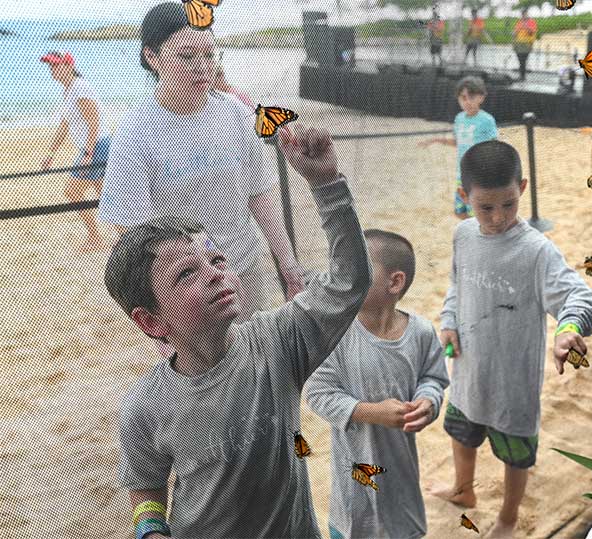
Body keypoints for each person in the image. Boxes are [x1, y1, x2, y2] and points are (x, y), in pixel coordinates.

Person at [111, 123, 372, 539]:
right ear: (151, 321)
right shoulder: (144, 407)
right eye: (186, 273)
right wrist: (151, 531)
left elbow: (349, 283)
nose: (215, 274)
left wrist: (326, 185)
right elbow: (146, 487)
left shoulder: (277, 342)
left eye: (216, 259)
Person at [97, 3, 305, 357]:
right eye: (187, 56)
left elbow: (261, 195)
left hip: (245, 269)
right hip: (188, 289)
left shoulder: (236, 114)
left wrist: (289, 267)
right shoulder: (134, 132)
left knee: (260, 370)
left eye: (209, 55)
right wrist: (165, 324)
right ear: (152, 56)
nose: (202, 68)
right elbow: (135, 235)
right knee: (208, 388)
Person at [429, 140, 592, 539]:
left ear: (522, 188)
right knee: (461, 433)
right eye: (485, 207)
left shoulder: (536, 251)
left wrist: (569, 328)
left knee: (516, 455)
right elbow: (456, 285)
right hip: (469, 369)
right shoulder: (463, 236)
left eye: (508, 204)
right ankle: (463, 489)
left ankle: (507, 518)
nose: (498, 217)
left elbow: (579, 296)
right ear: (463, 196)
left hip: (513, 384)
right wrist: (449, 321)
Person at [304, 229, 449, 539]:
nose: (342, 276)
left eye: (356, 267)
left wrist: (428, 403)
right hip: (354, 490)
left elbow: (433, 378)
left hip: (401, 480)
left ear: (394, 282)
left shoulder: (421, 332)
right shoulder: (336, 335)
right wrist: (370, 411)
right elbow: (318, 392)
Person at [40, 51, 112, 253]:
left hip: (97, 147)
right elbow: (64, 126)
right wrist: (50, 154)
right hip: (96, 146)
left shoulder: (80, 87)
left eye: (56, 65)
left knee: (72, 191)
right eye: (50, 66)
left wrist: (88, 154)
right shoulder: (69, 90)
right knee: (106, 196)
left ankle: (95, 237)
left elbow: (93, 120)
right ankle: (123, 236)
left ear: (69, 65)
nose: (52, 69)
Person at [419, 76, 498, 220]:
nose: (467, 101)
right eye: (463, 97)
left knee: (476, 214)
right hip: (461, 174)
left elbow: (493, 146)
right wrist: (436, 140)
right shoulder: (459, 118)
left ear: (481, 97)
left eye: (471, 97)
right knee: (459, 212)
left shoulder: (487, 120)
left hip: (478, 176)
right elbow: (458, 142)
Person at [512, 8, 537, 81]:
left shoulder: (531, 22)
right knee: (520, 60)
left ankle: (522, 76)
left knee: (523, 60)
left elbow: (532, 32)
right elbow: (515, 32)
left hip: (527, 44)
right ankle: (521, 75)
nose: (523, 15)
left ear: (527, 13)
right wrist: (514, 33)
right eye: (522, 14)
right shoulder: (519, 22)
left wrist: (525, 26)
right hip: (518, 43)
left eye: (525, 13)